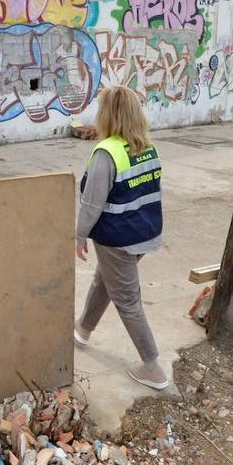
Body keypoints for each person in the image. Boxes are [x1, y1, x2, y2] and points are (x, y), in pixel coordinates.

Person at [73, 85, 169, 390]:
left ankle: (153, 367)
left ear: (107, 115)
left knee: (127, 301)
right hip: (144, 232)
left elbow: (91, 204)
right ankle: (83, 329)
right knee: (105, 279)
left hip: (117, 238)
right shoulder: (146, 147)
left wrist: (79, 235)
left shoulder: (106, 153)